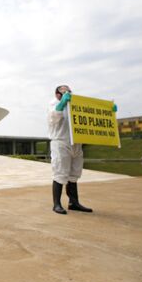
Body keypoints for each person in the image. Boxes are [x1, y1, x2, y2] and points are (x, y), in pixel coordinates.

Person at [48, 85, 94, 214]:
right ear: (57, 94)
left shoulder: (75, 105)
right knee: (60, 172)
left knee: (74, 174)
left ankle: (74, 202)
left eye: (69, 91)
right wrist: (61, 104)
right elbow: (53, 119)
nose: (67, 93)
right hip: (61, 143)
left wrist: (109, 112)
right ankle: (56, 204)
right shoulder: (53, 104)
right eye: (63, 91)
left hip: (76, 143)